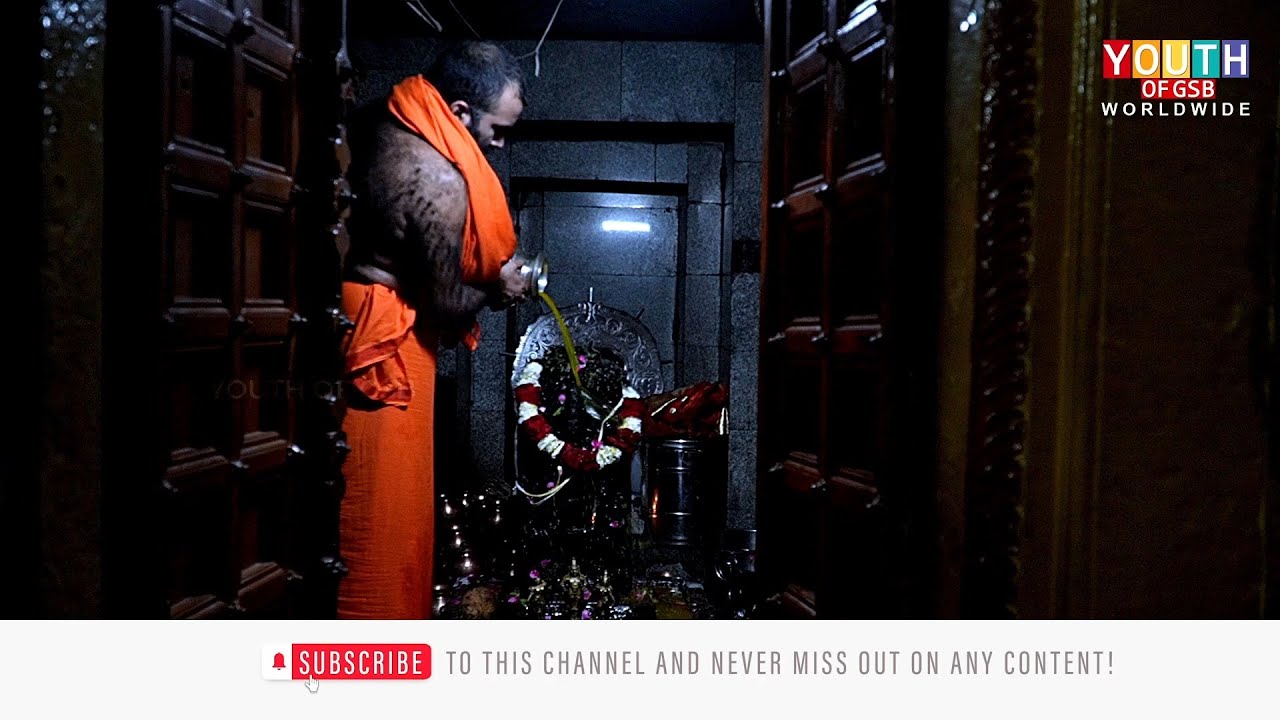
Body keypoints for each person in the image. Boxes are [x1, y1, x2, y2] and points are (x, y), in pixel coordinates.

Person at [337, 40, 530, 619]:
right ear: (461, 111)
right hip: (387, 341)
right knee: (384, 519)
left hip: (347, 305)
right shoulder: (437, 177)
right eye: (498, 127)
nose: (502, 142)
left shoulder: (373, 118)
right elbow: (447, 306)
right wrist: (501, 287)